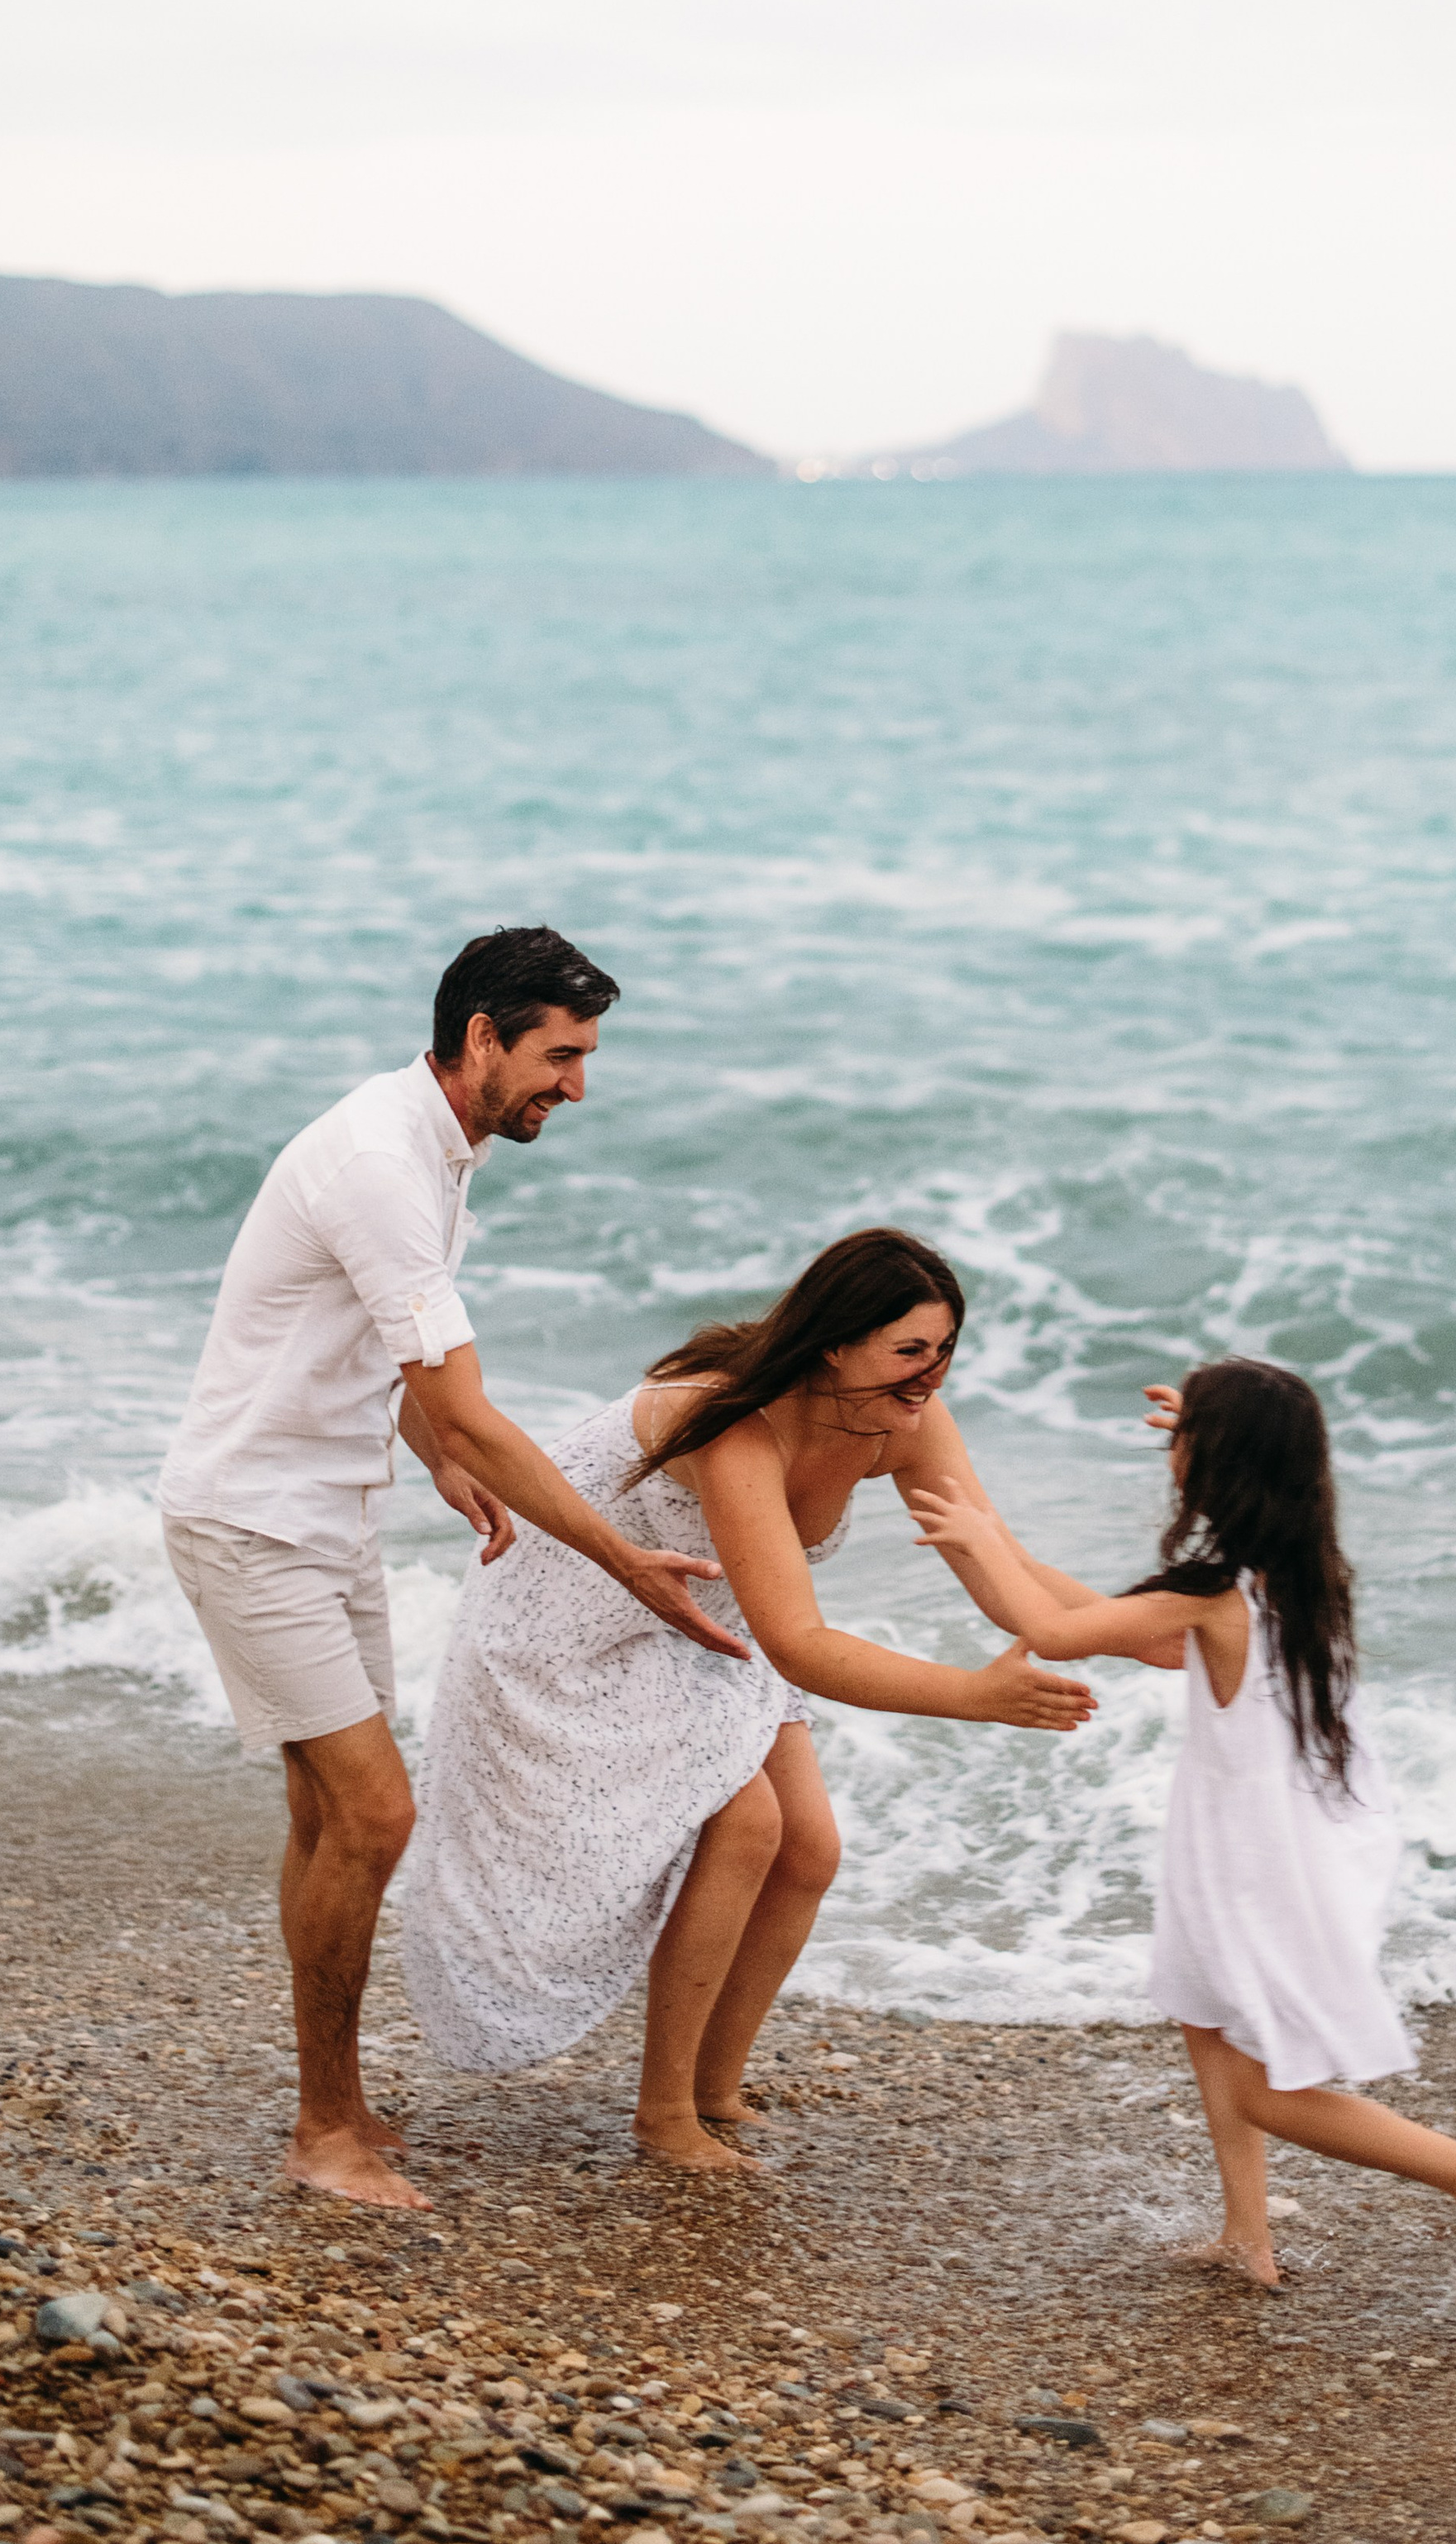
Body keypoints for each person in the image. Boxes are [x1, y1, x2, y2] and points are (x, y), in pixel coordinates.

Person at [157, 925, 746, 2212]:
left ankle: (338, 2098)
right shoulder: (382, 1159)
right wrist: (619, 1559)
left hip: (321, 1515)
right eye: (562, 1055)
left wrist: (431, 1455)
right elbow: (470, 1403)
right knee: (373, 1814)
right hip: (254, 1521)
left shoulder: (436, 1146)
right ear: (483, 1036)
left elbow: (409, 1370)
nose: (576, 1087)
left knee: (328, 1815)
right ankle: (322, 2133)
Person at [399, 1229, 1099, 2169]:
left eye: (943, 1350)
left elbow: (997, 1559)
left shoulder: (907, 1421)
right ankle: (662, 2114)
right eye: (908, 1351)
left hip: (712, 1618)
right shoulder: (732, 1420)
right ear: (831, 1345)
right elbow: (801, 1644)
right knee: (749, 1824)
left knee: (810, 1850)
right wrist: (975, 1696)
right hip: (574, 1621)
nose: (930, 1373)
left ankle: (712, 2087)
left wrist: (1140, 1626)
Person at [908, 1356, 1456, 2303]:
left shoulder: (1212, 1595)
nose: (1176, 1451)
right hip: (1253, 1838)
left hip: (1263, 1863)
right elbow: (1109, 1618)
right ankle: (1247, 2237)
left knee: (1262, 2086)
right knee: (1205, 2017)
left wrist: (972, 1537)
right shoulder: (1289, 1575)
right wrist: (1195, 1432)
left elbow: (1042, 1622)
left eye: (1190, 1440)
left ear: (1220, 1467)